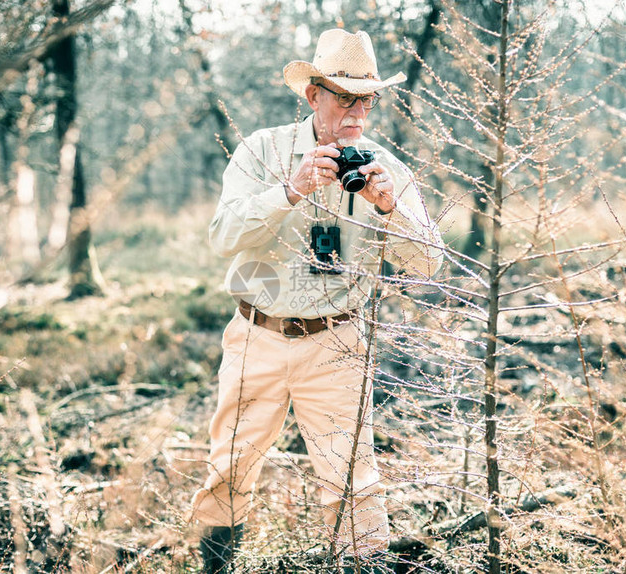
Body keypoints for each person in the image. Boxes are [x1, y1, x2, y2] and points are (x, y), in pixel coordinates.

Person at [190, 28, 443, 574]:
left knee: (353, 483)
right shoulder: (263, 150)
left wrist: (388, 207)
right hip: (256, 335)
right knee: (229, 470)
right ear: (313, 96)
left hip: (338, 343)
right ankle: (214, 568)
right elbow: (221, 238)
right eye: (345, 97)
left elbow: (428, 264)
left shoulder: (386, 167)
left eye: (367, 99)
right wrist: (290, 190)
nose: (357, 111)